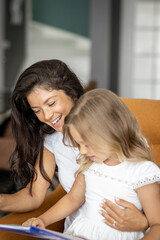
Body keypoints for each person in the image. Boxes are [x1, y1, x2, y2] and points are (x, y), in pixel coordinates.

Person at [0, 60, 148, 233]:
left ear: (71, 93)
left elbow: (146, 185)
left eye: (51, 103)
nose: (46, 116)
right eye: (36, 110)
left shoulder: (113, 133)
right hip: (77, 232)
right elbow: (34, 195)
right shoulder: (52, 140)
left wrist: (145, 222)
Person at [23, 89, 160, 240]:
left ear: (111, 133)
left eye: (87, 144)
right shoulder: (90, 164)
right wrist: (43, 220)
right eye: (79, 144)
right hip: (81, 234)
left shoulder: (142, 171)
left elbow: (157, 226)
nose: (82, 151)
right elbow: (73, 199)